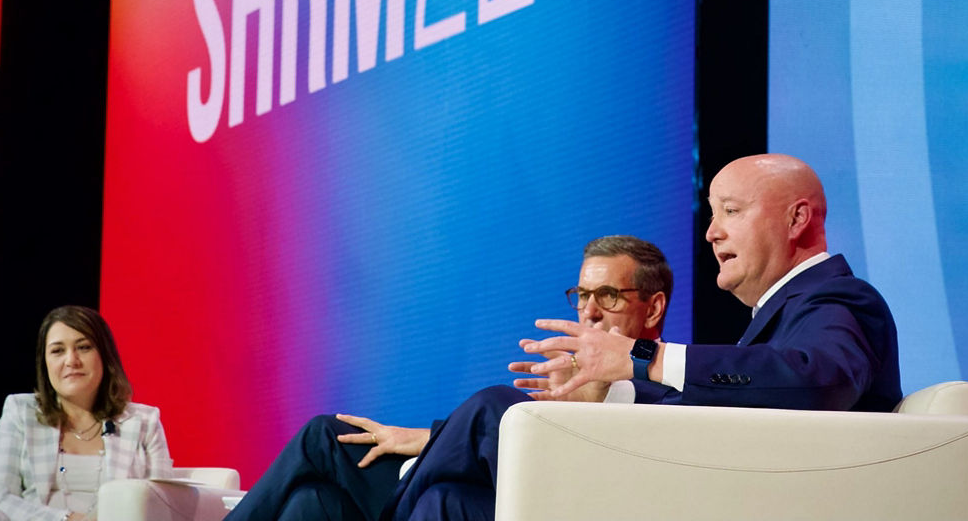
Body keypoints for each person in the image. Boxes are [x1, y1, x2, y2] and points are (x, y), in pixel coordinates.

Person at [383, 153, 902, 520]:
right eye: (711, 214)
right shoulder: (782, 317)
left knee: (498, 409)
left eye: (732, 211)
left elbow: (822, 381)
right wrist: (610, 391)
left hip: (738, 500)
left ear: (797, 219)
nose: (711, 232)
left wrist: (642, 358)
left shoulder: (840, 299)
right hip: (708, 489)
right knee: (445, 503)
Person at [223, 235, 673, 521]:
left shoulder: (668, 388)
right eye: (583, 295)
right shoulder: (568, 370)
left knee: (494, 404)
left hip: (552, 502)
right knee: (313, 499)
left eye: (609, 296)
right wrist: (425, 438)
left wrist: (588, 397)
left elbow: (609, 469)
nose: (589, 310)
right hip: (485, 486)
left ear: (652, 309)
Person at [0, 305, 173, 521]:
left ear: (105, 356)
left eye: (84, 347)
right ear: (45, 363)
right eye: (57, 351)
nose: (71, 360)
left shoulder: (144, 422)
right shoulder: (21, 412)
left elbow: (162, 506)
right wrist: (68, 519)